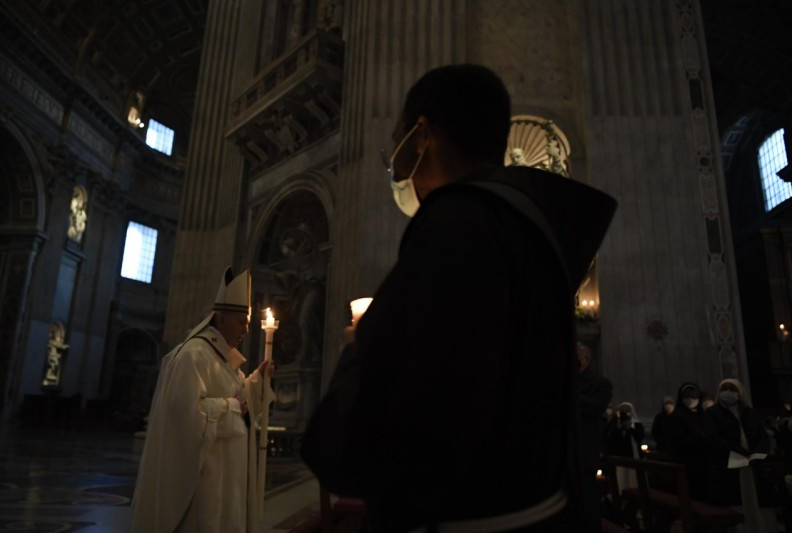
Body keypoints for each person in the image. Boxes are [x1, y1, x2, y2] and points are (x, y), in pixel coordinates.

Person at [301, 64, 616, 531]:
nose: (393, 161)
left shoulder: (456, 223)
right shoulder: (534, 226)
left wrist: (358, 346)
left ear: (422, 134)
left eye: (396, 140)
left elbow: (352, 445)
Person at [131, 267, 274, 532]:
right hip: (206, 478)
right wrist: (232, 408)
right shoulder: (193, 355)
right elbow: (184, 416)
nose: (246, 329)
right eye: (241, 321)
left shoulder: (224, 359)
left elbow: (240, 401)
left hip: (226, 474)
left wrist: (256, 383)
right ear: (221, 319)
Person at [704, 379, 776, 532]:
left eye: (732, 389)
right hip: (728, 464)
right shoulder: (712, 413)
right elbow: (713, 438)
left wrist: (757, 452)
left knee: (756, 499)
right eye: (725, 389)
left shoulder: (750, 412)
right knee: (735, 501)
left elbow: (762, 436)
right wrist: (739, 451)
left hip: (753, 464)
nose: (728, 392)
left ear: (739, 392)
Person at [576, 342, 612, 532]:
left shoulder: (600, 383)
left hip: (586, 449)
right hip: (566, 449)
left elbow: (596, 407)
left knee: (588, 500)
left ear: (586, 360)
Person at [665, 382, 708, 499]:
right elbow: (674, 439)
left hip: (704, 461)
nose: (691, 399)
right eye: (687, 396)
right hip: (684, 462)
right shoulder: (676, 416)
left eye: (694, 396)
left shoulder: (703, 415)